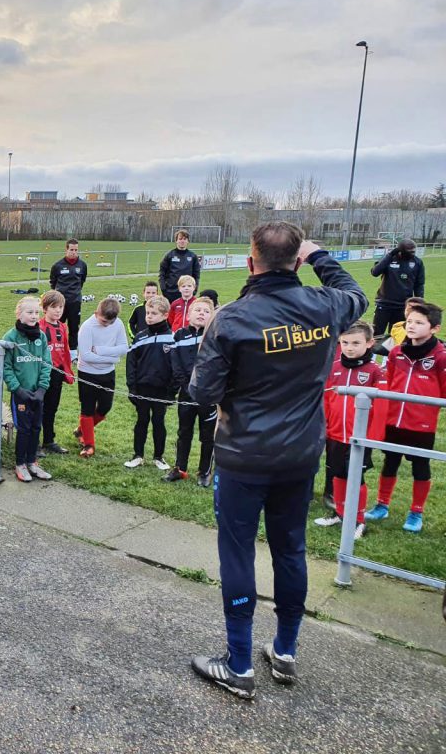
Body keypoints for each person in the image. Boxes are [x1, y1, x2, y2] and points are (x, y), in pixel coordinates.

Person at [189, 222, 366, 700]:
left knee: (238, 552)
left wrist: (236, 394)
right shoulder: (324, 303)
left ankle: (241, 663)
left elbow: (201, 390)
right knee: (290, 549)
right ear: (297, 261)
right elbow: (355, 292)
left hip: (245, 456)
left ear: (251, 262)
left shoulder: (232, 318)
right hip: (300, 455)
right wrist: (319, 256)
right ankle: (284, 651)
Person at [365, 301, 446, 533]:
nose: (411, 326)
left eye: (419, 323)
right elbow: (389, 382)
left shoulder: (441, 356)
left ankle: (416, 512)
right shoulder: (397, 352)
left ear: (434, 328)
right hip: (394, 421)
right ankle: (382, 505)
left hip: (422, 425)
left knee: (420, 467)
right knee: (390, 463)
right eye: (409, 321)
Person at [314, 321, 387, 537]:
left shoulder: (375, 371)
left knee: (356, 477)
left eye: (356, 343)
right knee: (337, 473)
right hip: (335, 434)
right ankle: (340, 512)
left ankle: (359, 519)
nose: (350, 347)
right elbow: (327, 399)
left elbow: (382, 407)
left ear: (370, 343)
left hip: (360, 438)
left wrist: (372, 437)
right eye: (345, 342)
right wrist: (325, 427)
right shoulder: (334, 368)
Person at [165, 297, 217, 486]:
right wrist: (185, 385)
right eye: (198, 310)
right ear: (189, 314)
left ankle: (204, 472)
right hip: (187, 393)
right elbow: (175, 363)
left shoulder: (215, 335)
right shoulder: (179, 335)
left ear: (212, 316)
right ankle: (181, 468)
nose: (201, 313)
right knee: (184, 432)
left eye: (206, 311)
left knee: (208, 436)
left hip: (209, 395)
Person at [2, 296, 52, 483]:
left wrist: (42, 389)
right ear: (19, 314)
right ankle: (20, 463)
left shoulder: (41, 337)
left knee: (36, 427)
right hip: (21, 394)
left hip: (37, 393)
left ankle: (32, 462)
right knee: (23, 429)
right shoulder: (10, 338)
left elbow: (47, 364)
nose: (33, 316)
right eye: (29, 312)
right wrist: (17, 389)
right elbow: (6, 367)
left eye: (36, 312)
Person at [125, 296, 174, 470]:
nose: (149, 316)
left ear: (165, 315)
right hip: (142, 388)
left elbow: (175, 368)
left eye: (154, 313)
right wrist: (132, 387)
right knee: (141, 421)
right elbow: (131, 363)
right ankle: (138, 455)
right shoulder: (140, 337)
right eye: (148, 313)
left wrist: (171, 393)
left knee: (159, 422)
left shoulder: (172, 338)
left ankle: (158, 457)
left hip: (161, 390)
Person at [74, 298, 128, 458]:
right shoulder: (87, 327)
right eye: (104, 321)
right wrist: (112, 356)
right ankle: (89, 445)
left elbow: (124, 347)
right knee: (88, 408)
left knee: (105, 407)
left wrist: (100, 350)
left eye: (110, 322)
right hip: (87, 373)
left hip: (107, 373)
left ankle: (82, 430)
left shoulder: (117, 324)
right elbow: (86, 355)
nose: (107, 325)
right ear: (97, 313)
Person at [38, 290, 74, 456]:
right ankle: (34, 441)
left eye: (60, 307)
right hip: (41, 373)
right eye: (54, 307)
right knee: (38, 406)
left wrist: (67, 371)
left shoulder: (62, 327)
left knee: (52, 407)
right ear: (45, 309)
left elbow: (65, 351)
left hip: (57, 373)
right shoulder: (38, 327)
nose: (58, 310)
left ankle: (49, 440)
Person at [370, 238, 425, 336]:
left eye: (414, 251)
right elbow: (375, 272)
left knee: (396, 335)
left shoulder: (417, 263)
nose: (413, 254)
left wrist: (419, 302)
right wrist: (390, 255)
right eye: (410, 251)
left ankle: (393, 352)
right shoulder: (388, 259)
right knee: (376, 334)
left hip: (402, 306)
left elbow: (419, 284)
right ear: (400, 251)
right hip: (384, 304)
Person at [49, 238, 88, 354]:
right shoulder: (57, 266)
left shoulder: (82, 265)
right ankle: (56, 349)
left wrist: (75, 293)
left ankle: (72, 353)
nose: (74, 252)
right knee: (57, 326)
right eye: (71, 249)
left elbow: (82, 281)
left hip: (75, 302)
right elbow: (53, 282)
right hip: (60, 303)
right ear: (66, 249)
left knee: (74, 327)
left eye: (76, 250)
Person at [158, 229, 201, 305]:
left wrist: (194, 290)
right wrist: (164, 289)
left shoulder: (193, 256)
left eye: (184, 239)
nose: (182, 241)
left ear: (188, 241)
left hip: (187, 293)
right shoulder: (169, 255)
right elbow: (162, 273)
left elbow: (196, 275)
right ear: (176, 241)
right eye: (180, 239)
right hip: (170, 293)